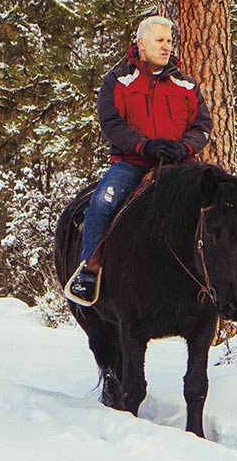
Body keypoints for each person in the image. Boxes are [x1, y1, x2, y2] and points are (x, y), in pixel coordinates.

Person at [64, 16, 212, 306]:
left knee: (221, 202)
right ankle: (89, 270)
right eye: (160, 40)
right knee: (102, 202)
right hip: (133, 163)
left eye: (169, 41)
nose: (167, 46)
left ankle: (235, 276)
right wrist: (145, 145)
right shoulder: (117, 81)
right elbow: (111, 123)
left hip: (180, 165)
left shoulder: (186, 84)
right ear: (141, 44)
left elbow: (203, 126)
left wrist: (184, 147)